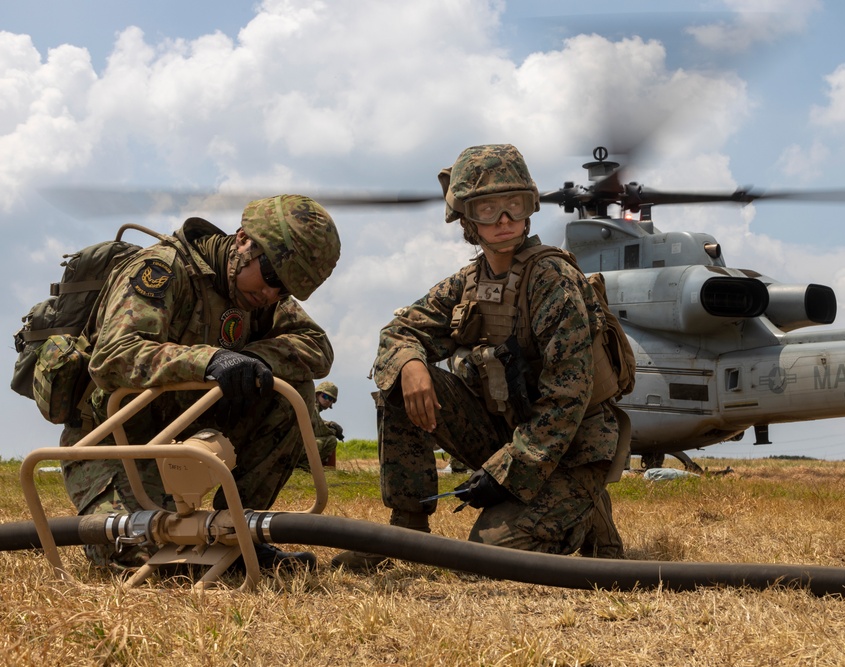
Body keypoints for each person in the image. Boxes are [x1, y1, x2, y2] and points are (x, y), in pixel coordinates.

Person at [332, 144, 626, 570]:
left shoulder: (553, 280)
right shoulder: (468, 282)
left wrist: (507, 471)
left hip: (570, 448)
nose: (504, 219)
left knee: (490, 556)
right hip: (510, 432)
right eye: (488, 208)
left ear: (531, 208)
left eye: (515, 204)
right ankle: (407, 527)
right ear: (467, 220)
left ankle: (585, 508)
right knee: (398, 377)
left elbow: (567, 400)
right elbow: (399, 333)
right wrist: (413, 365)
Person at [60, 194, 341, 572]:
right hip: (117, 438)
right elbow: (113, 357)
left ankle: (238, 535)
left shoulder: (259, 292)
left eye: (286, 289)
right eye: (273, 276)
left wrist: (254, 361)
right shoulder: (162, 268)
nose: (272, 293)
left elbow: (317, 347)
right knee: (142, 557)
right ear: (243, 239)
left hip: (187, 430)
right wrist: (209, 360)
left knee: (291, 388)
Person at [300, 380, 344, 469]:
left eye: (330, 399)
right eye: (325, 396)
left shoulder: (312, 406)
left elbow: (316, 422)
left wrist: (329, 424)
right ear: (317, 395)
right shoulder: (313, 407)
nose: (327, 400)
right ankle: (303, 465)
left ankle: (308, 466)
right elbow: (320, 431)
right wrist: (334, 431)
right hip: (295, 447)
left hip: (296, 446)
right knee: (328, 441)